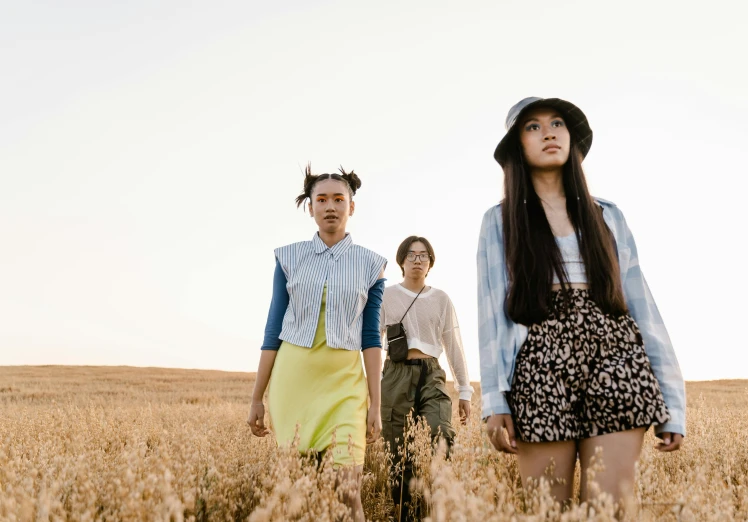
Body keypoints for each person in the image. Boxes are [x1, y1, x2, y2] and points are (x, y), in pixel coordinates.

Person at [477, 97, 686, 510]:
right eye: (532, 127)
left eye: (557, 123)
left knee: (609, 508)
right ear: (517, 145)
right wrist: (495, 399)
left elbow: (642, 307)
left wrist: (672, 401)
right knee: (546, 510)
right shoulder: (500, 220)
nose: (549, 132)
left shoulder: (607, 215)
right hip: (539, 360)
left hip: (617, 355)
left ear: (572, 140)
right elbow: (491, 313)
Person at [247, 165, 386, 522]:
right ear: (310, 207)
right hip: (294, 384)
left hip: (345, 389)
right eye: (321, 199)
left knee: (347, 494)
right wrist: (256, 398)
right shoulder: (288, 258)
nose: (330, 206)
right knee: (299, 497)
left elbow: (371, 338)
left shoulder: (372, 264)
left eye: (339, 199)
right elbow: (273, 328)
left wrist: (375, 402)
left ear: (351, 207)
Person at [380, 236, 474, 521]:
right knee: (397, 449)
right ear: (401, 261)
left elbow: (453, 345)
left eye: (423, 255)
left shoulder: (441, 299)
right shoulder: (386, 296)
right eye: (411, 255)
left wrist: (465, 391)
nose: (417, 260)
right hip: (395, 374)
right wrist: (368, 387)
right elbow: (372, 340)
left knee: (440, 431)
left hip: (432, 373)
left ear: (431, 262)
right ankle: (407, 512)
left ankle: (435, 502)